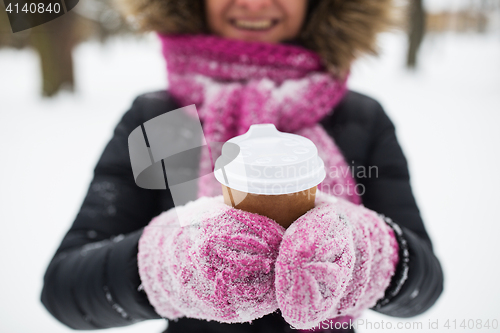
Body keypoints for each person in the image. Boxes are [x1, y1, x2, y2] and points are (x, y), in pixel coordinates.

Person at [40, 1, 444, 332]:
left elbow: (425, 283)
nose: (253, 3)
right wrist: (167, 266)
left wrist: (367, 252)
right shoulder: (158, 118)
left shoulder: (362, 118)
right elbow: (64, 288)